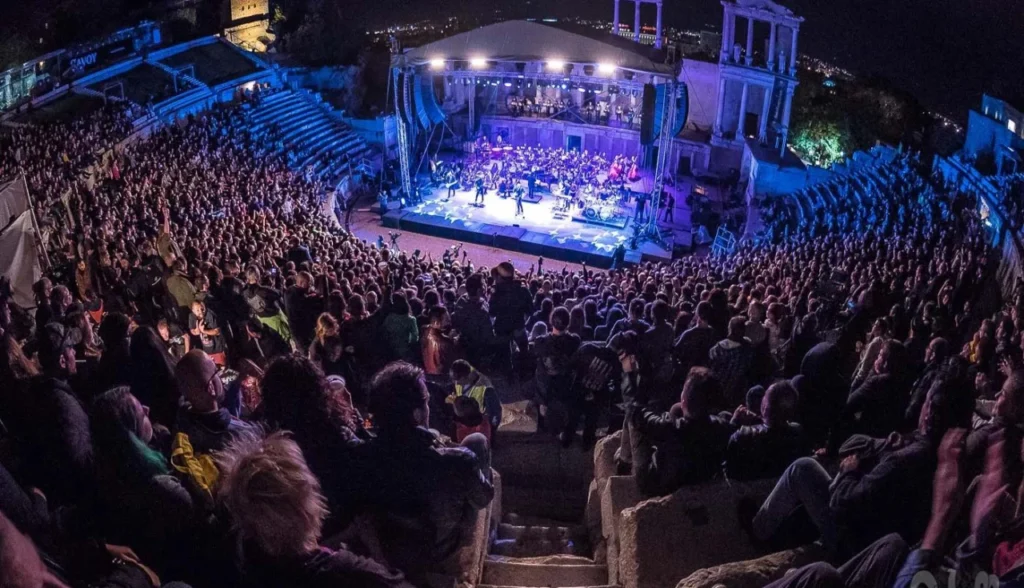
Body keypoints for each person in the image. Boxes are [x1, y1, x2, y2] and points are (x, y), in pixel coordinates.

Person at [747, 376, 973, 556]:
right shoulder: (949, 457)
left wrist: (848, 472)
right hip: (882, 534)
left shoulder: (903, 461)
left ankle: (758, 532)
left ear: (929, 409)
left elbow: (844, 504)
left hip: (854, 541)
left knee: (802, 468)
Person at [216, 432, 412, 588]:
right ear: (304, 502)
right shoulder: (353, 573)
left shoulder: (249, 570)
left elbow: (298, 557)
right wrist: (375, 550)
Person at [361, 362, 494, 583]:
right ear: (416, 414)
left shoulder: (360, 454)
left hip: (385, 543)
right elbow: (482, 498)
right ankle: (461, 562)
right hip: (437, 544)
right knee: (478, 442)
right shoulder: (458, 462)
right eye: (426, 401)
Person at [259, 355, 367, 533]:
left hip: (315, 535)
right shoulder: (336, 435)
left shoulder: (275, 450)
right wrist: (357, 426)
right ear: (318, 390)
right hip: (351, 527)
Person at [629, 367, 734, 495]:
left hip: (660, 486)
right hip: (699, 478)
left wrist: (632, 379)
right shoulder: (721, 426)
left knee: (631, 419)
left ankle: (623, 460)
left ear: (683, 400)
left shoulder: (669, 427)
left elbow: (637, 414)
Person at [724, 380, 809, 482]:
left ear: (764, 408)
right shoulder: (798, 433)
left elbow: (728, 472)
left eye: (764, 396)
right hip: (780, 487)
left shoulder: (742, 436)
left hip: (748, 494)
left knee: (724, 415)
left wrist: (733, 423)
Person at [174, 350, 254, 454]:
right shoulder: (242, 435)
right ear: (211, 388)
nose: (220, 376)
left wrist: (236, 383)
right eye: (216, 372)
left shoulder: (182, 421)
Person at [531, 307, 581, 433]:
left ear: (551, 321)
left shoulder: (540, 342)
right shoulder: (574, 341)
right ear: (568, 323)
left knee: (538, 374)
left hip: (546, 388)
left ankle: (542, 408)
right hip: (566, 385)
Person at [709, 316, 755, 407]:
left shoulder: (718, 349)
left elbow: (711, 367)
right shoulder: (748, 347)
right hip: (737, 390)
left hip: (719, 387)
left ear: (730, 328)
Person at [382, 292, 419, 362]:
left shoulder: (389, 318)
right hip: (405, 352)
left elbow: (384, 332)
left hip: (391, 351)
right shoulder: (411, 320)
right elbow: (415, 337)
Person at [188, 300, 227, 366]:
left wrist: (204, 331)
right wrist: (196, 332)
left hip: (218, 348)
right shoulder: (192, 317)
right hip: (207, 350)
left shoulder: (210, 315)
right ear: (193, 311)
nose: (201, 312)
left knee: (222, 366)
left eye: (202, 309)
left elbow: (217, 331)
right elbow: (192, 330)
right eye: (197, 310)